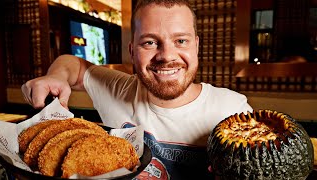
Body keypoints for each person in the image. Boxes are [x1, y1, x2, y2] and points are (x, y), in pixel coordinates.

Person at [21, 0, 253, 179]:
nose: (167, 56)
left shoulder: (232, 111)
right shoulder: (119, 89)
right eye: (150, 42)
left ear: (196, 46)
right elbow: (73, 63)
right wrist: (56, 76)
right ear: (132, 51)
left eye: (181, 41)